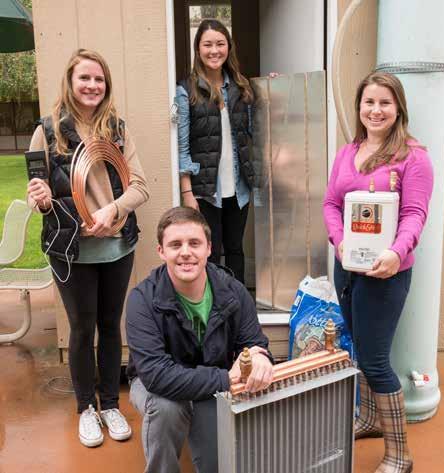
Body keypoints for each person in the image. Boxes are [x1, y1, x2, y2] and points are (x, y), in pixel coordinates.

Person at [26, 49, 149, 447]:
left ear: (106, 84)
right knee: (81, 329)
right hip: (72, 249)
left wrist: (112, 209)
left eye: (99, 79)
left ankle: (110, 404)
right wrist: (42, 198)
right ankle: (85, 409)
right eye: (85, 78)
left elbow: (140, 186)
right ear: (71, 81)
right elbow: (40, 195)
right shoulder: (48, 130)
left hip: (116, 245)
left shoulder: (117, 129)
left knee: (111, 326)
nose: (92, 86)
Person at [323, 72, 433, 473]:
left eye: (384, 102)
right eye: (368, 102)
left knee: (375, 359)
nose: (375, 110)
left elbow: (414, 214)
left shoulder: (413, 157)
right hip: (347, 268)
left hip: (386, 275)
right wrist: (339, 242)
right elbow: (330, 204)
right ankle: (369, 418)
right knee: (358, 344)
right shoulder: (347, 151)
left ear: (398, 107)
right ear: (359, 107)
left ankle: (400, 454)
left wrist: (395, 251)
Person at [126, 206, 273, 473]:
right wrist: (226, 378)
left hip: (212, 380)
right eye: (175, 244)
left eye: (194, 243)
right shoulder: (142, 300)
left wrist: (260, 357)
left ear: (208, 248)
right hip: (156, 384)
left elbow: (253, 341)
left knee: (219, 463)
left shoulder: (234, 291)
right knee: (167, 408)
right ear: (161, 251)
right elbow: (156, 376)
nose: (185, 252)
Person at [176, 19, 254, 284]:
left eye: (220, 44)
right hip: (205, 190)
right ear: (198, 49)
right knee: (210, 251)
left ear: (228, 48)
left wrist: (274, 88)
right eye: (207, 44)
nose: (214, 50)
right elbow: (183, 147)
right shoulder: (186, 91)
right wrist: (187, 191)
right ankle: (214, 307)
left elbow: (254, 129)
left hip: (239, 185)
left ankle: (239, 305)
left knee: (235, 249)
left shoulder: (241, 88)